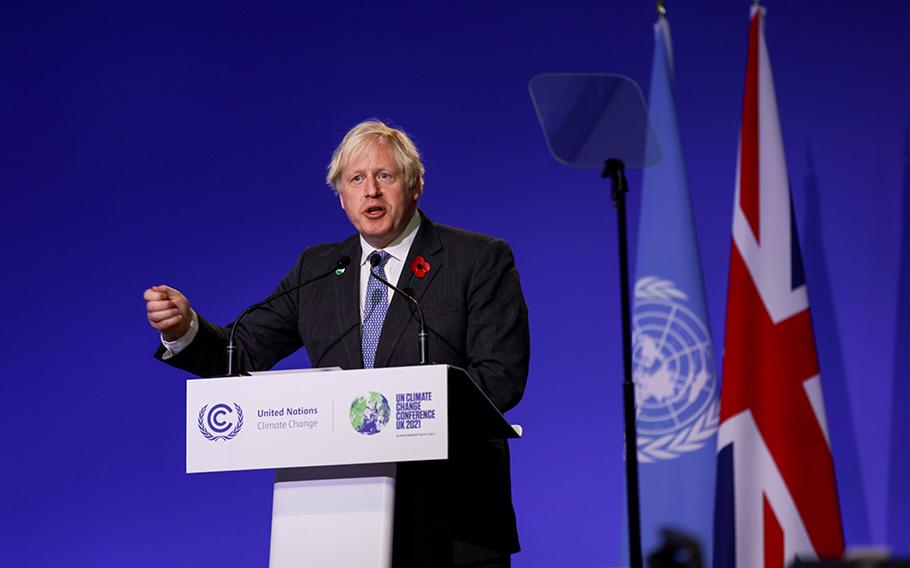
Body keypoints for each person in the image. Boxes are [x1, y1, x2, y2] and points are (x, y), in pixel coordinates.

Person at [144, 120, 530, 567]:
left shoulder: (477, 259)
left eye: (385, 176)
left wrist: (404, 420)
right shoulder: (319, 269)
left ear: (415, 185)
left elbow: (500, 377)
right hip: (337, 516)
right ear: (342, 196)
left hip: (452, 518)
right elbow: (242, 351)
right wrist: (184, 329)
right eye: (356, 179)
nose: (372, 191)